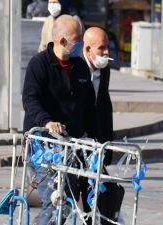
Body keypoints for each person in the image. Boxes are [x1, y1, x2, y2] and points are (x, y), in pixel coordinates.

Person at [22, 15, 95, 225]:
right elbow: (30, 100)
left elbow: (88, 106)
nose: (81, 43)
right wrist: (47, 122)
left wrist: (93, 137)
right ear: (62, 40)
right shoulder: (39, 64)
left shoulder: (80, 67)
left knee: (67, 201)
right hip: (43, 146)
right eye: (77, 38)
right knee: (56, 201)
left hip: (71, 146)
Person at [82, 27, 114, 166]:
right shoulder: (76, 66)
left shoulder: (105, 67)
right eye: (101, 48)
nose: (106, 52)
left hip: (97, 133)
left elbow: (104, 101)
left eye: (107, 47)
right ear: (88, 50)